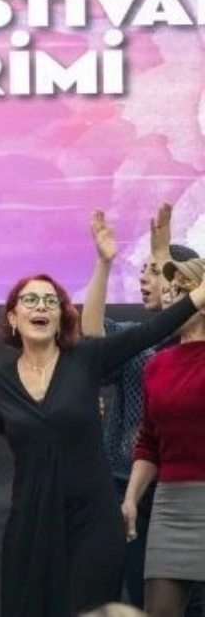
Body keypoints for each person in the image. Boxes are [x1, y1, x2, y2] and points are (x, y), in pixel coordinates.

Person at [0, 219, 205, 617]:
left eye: (51, 301)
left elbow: (153, 329)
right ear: (13, 318)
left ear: (62, 317)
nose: (41, 306)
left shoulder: (86, 359)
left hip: (92, 520)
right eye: (30, 300)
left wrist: (197, 292)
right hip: (30, 525)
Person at [83, 203, 200, 608]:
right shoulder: (141, 342)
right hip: (130, 481)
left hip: (184, 483)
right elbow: (93, 336)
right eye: (144, 271)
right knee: (142, 594)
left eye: (155, 271)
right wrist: (104, 264)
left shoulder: (189, 345)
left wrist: (163, 252)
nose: (145, 279)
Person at [123, 258, 205, 617]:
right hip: (170, 504)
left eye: (180, 292)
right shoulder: (158, 364)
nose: (170, 298)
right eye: (167, 291)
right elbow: (149, 441)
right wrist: (130, 498)